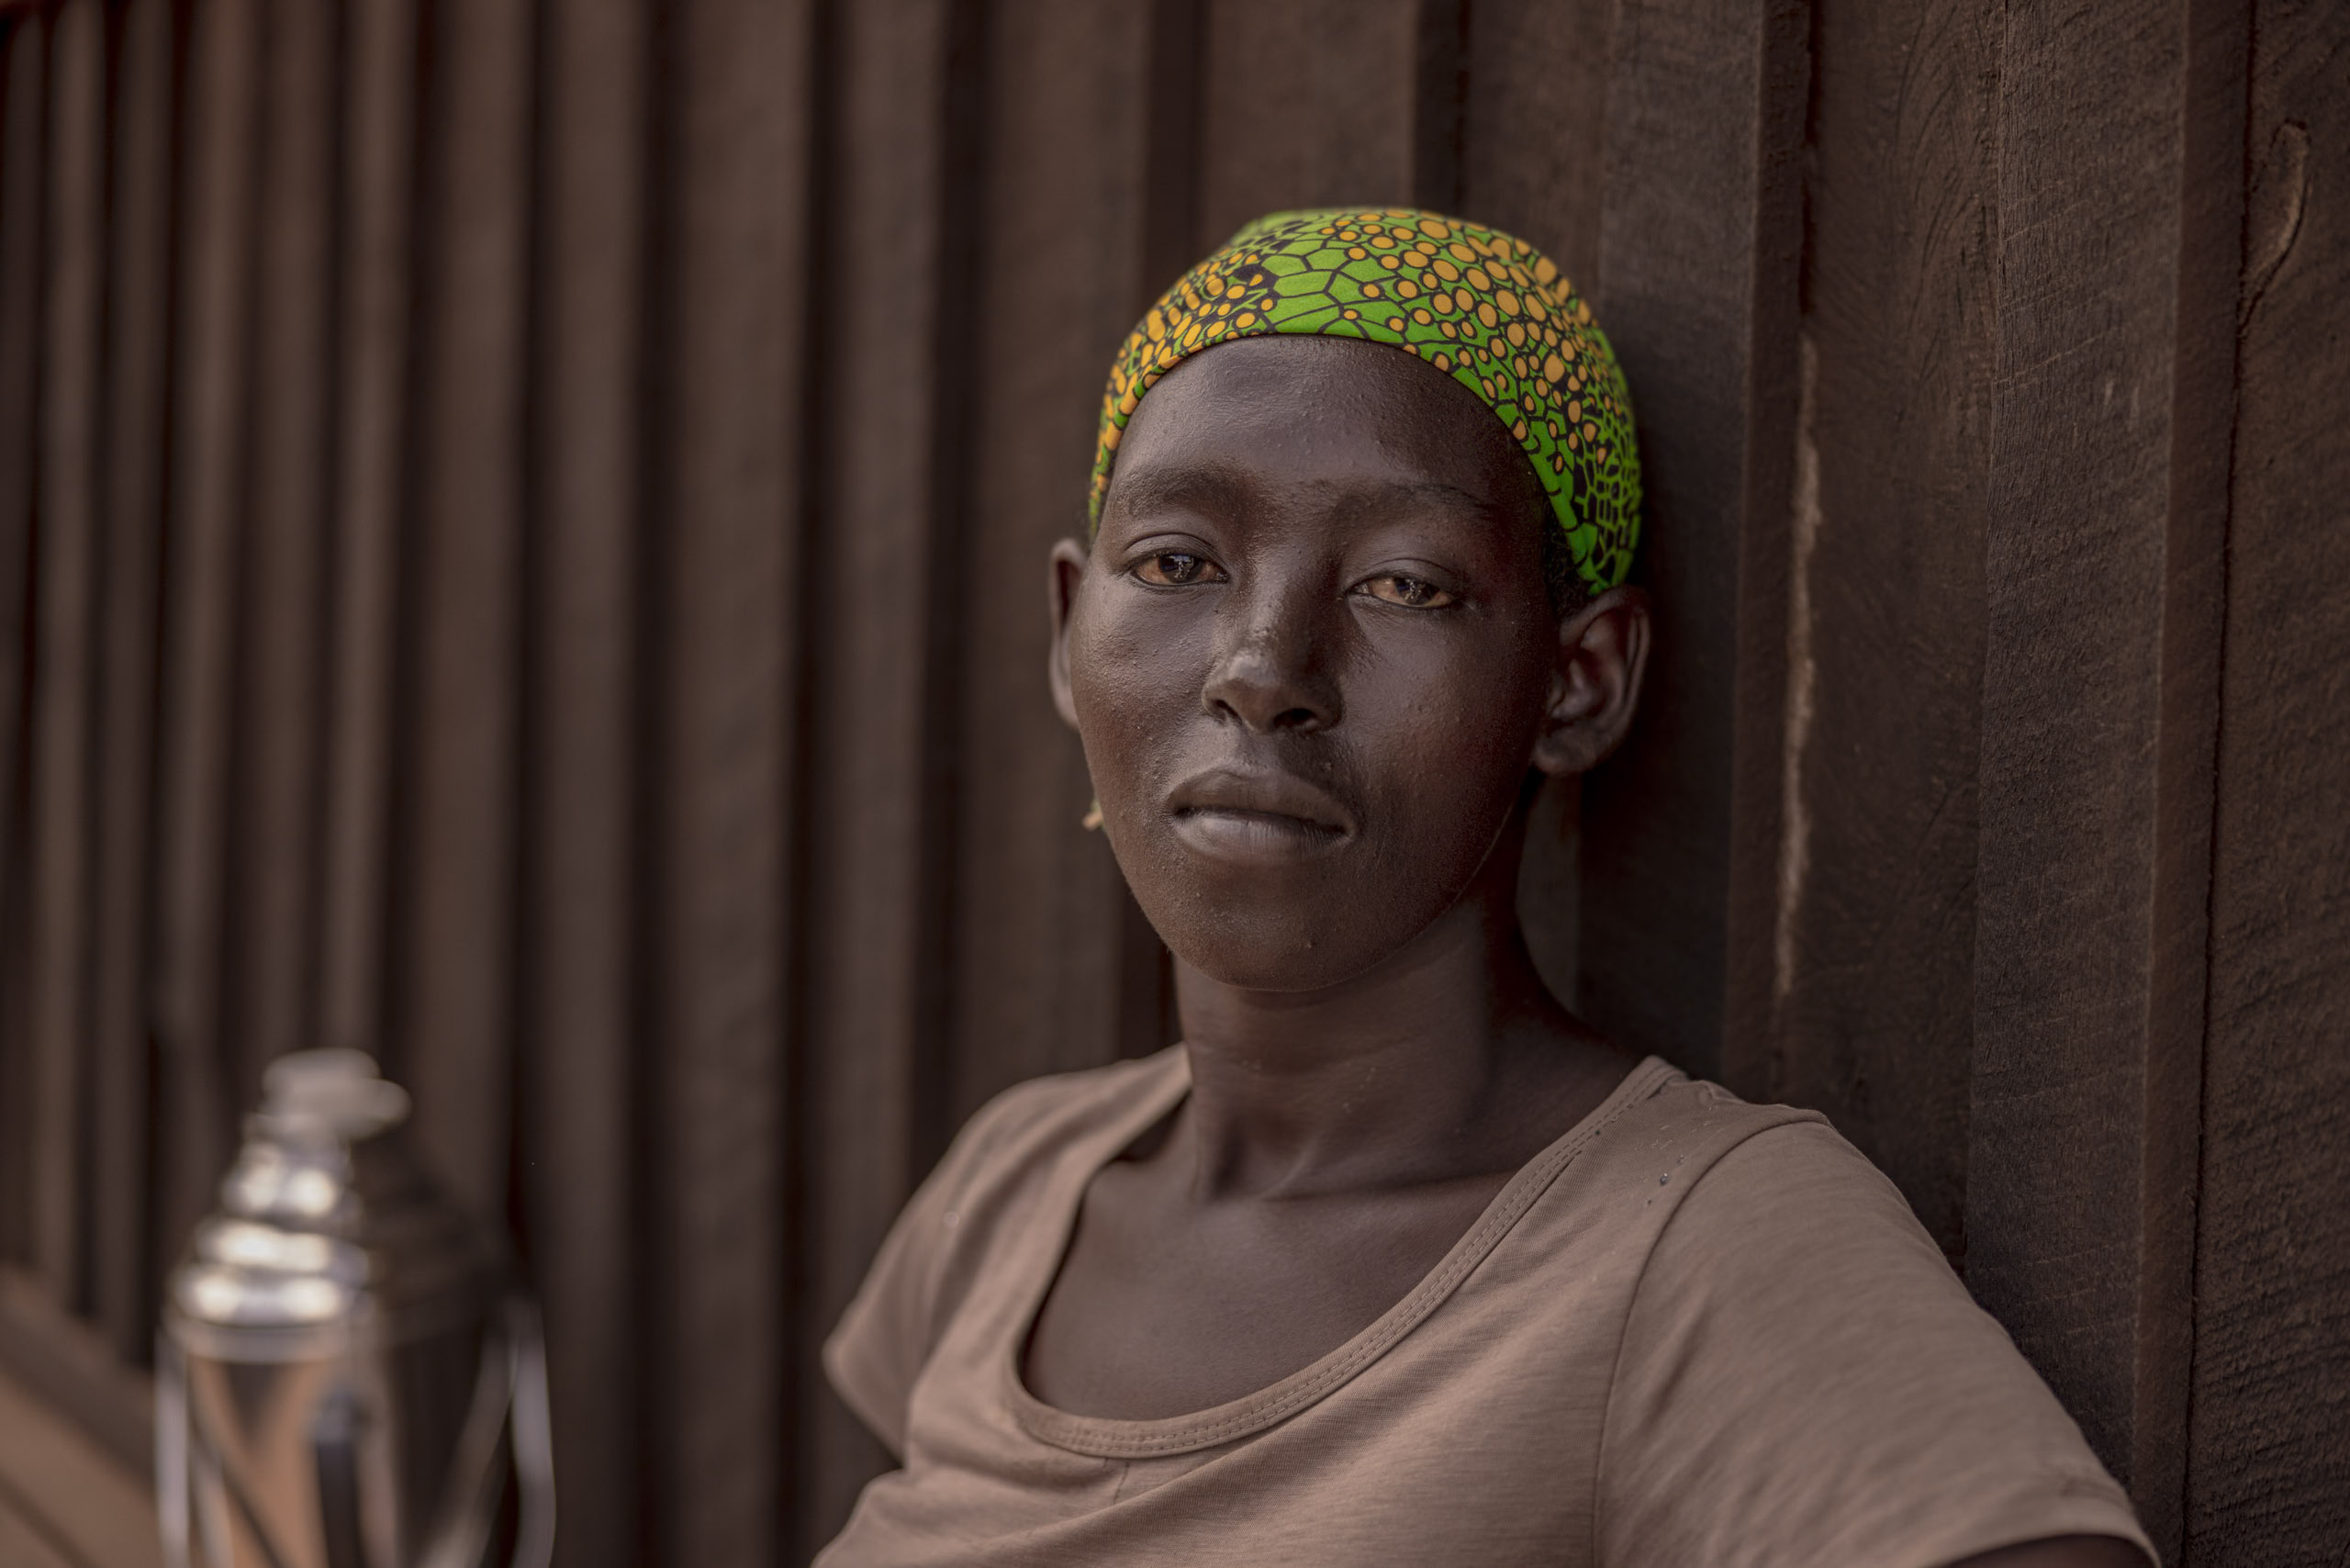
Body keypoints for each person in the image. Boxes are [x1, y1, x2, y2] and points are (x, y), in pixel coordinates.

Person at [814, 210, 2154, 1567]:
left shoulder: (1689, 1249)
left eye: (1406, 584)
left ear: (1577, 684)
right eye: (1177, 563)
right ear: (1067, 630)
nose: (1262, 668)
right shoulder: (1012, 1193)